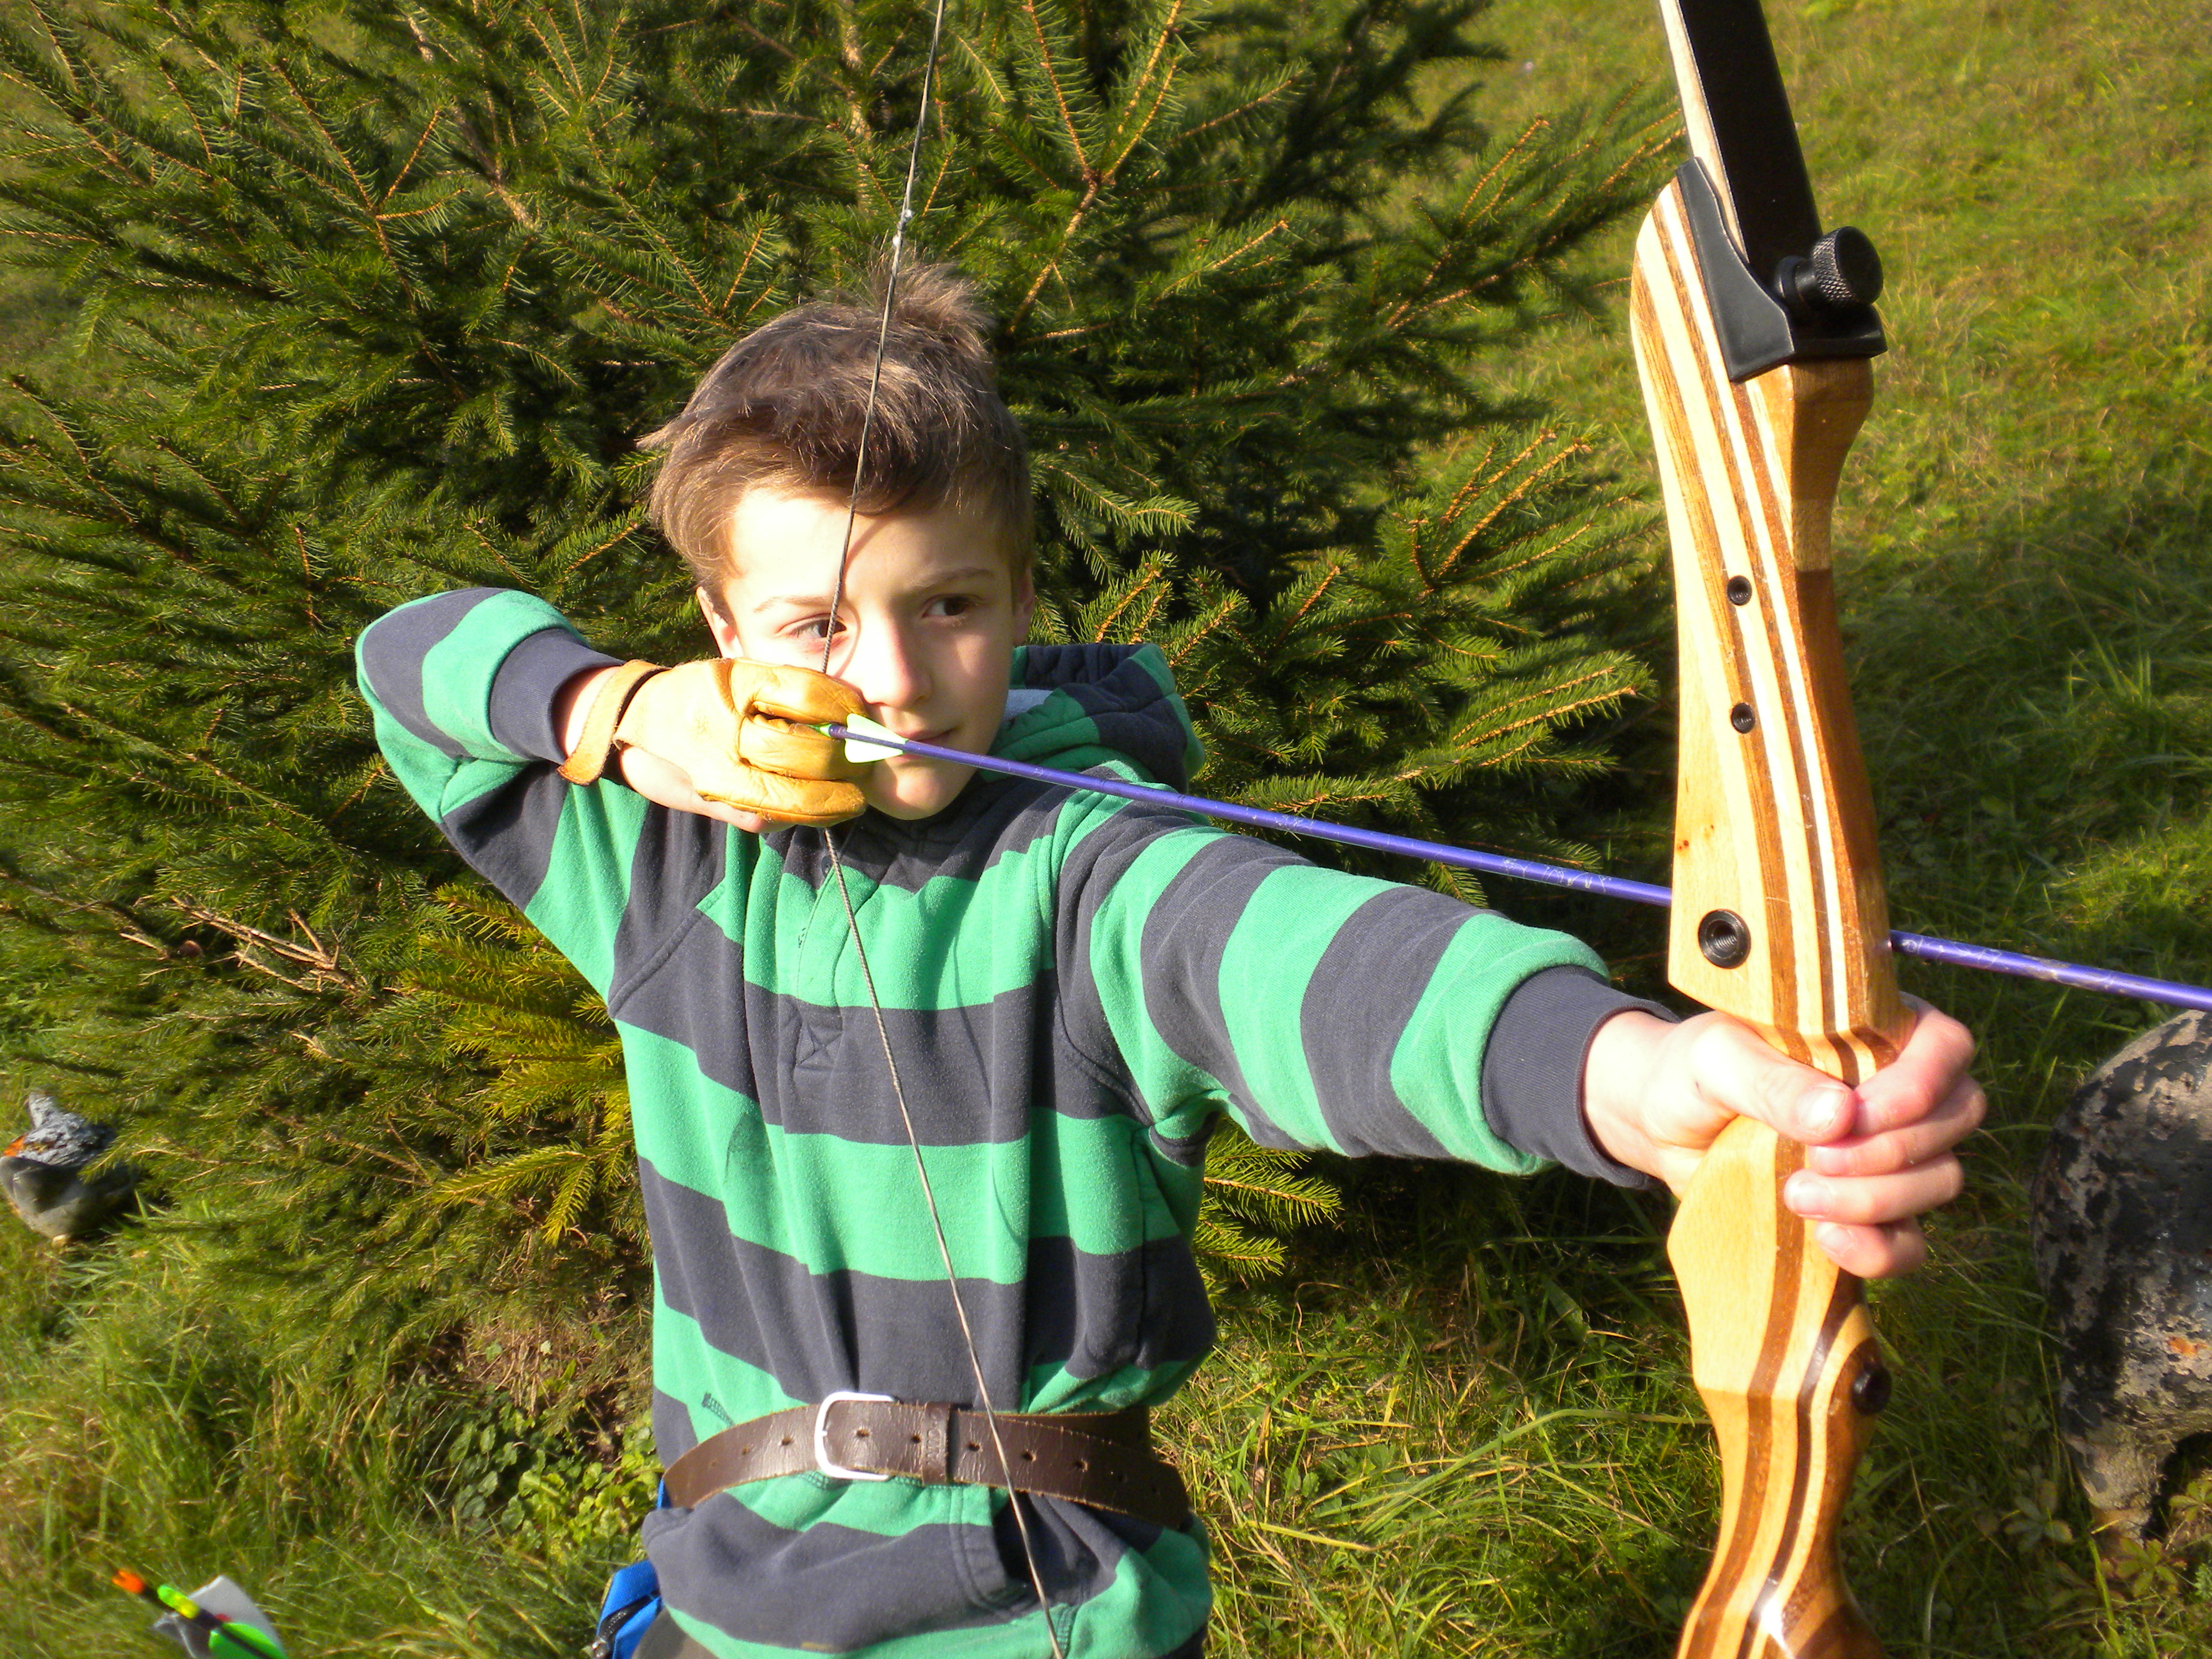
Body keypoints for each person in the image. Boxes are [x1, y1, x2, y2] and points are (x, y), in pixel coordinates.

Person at [356, 264, 1983, 1659]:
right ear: (724, 634)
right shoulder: (667, 867)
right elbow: (406, 663)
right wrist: (611, 708)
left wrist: (1643, 1075)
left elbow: (1323, 972)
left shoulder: (1099, 879)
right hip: (728, 1609)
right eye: (818, 625)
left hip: (1039, 1616)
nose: (898, 678)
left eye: (948, 605)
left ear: (1020, 596)